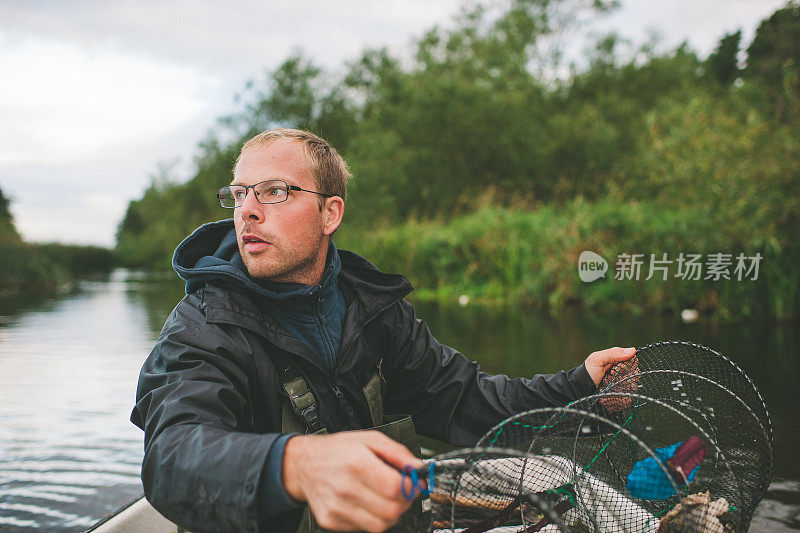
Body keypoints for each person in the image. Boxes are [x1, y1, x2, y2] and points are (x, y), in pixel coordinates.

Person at [131, 128, 635, 533]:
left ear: (331, 213)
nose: (249, 210)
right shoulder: (201, 327)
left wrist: (582, 390)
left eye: (275, 192)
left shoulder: (374, 311)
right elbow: (173, 458)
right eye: (240, 194)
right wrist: (296, 465)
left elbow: (466, 402)